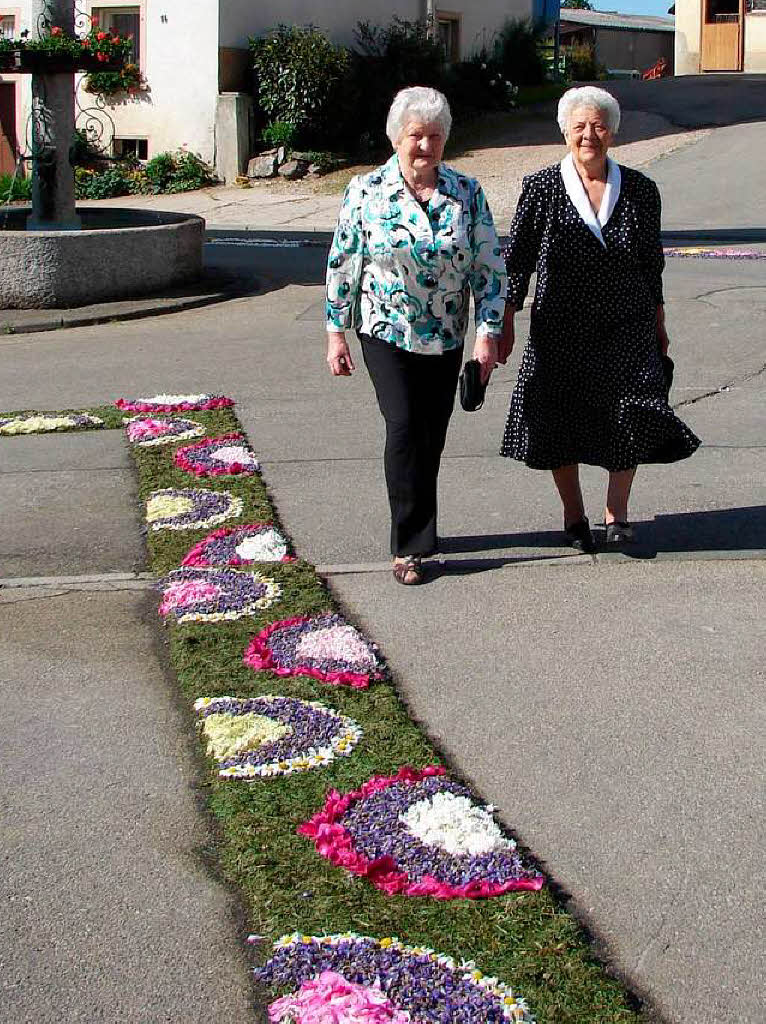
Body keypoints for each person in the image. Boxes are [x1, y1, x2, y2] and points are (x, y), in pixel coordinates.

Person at [498, 85, 700, 550]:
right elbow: (519, 259)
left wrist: (659, 320)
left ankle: (617, 512)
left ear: (613, 131)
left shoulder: (642, 190)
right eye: (580, 126)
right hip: (560, 325)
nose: (590, 134)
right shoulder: (542, 187)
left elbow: (651, 261)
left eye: (599, 125)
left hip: (626, 323)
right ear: (565, 131)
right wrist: (506, 318)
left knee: (631, 411)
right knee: (556, 417)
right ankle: (573, 514)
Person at [325, 86, 507, 584]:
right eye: (415, 136)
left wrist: (487, 335)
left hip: (446, 333)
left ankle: (418, 518)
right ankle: (410, 545)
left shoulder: (467, 193)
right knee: (404, 428)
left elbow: (490, 267)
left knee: (432, 437)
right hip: (385, 328)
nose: (425, 145)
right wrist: (335, 333)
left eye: (434, 136)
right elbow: (344, 262)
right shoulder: (365, 191)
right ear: (395, 138)